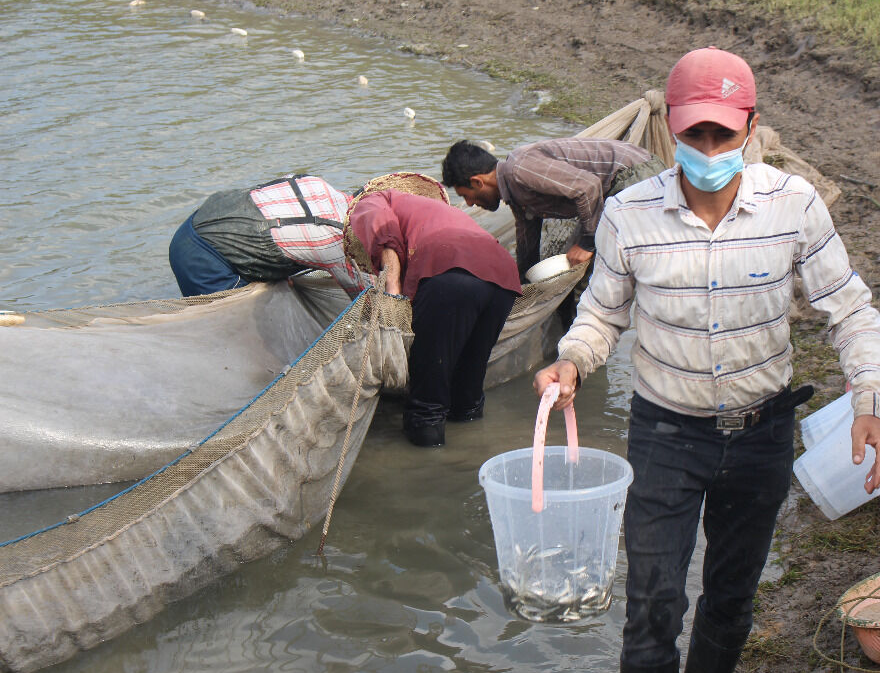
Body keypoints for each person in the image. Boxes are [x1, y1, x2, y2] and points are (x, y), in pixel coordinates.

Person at [533, 47, 880, 673]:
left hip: (761, 436)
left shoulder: (794, 206)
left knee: (730, 600)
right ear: (670, 127)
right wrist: (573, 361)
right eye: (692, 132)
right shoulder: (628, 215)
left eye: (722, 133)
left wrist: (868, 399)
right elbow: (602, 315)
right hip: (665, 435)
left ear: (750, 127)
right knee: (652, 611)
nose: (706, 147)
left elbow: (850, 309)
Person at [345, 188, 522, 447]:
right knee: (468, 388)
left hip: (450, 271)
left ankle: (428, 463)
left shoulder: (371, 200)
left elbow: (386, 240)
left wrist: (392, 297)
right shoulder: (431, 209)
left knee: (427, 403)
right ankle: (473, 454)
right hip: (503, 276)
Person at [440, 137, 667, 274]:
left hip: (634, 175)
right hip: (607, 193)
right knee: (573, 277)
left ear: (478, 181)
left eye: (466, 195)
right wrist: (523, 282)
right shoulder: (516, 196)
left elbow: (588, 187)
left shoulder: (519, 169)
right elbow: (527, 236)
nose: (469, 203)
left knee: (587, 280)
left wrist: (587, 243)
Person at [168, 174, 365, 298]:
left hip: (201, 220)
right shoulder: (334, 242)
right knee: (233, 338)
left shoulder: (317, 183)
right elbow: (365, 302)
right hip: (204, 258)